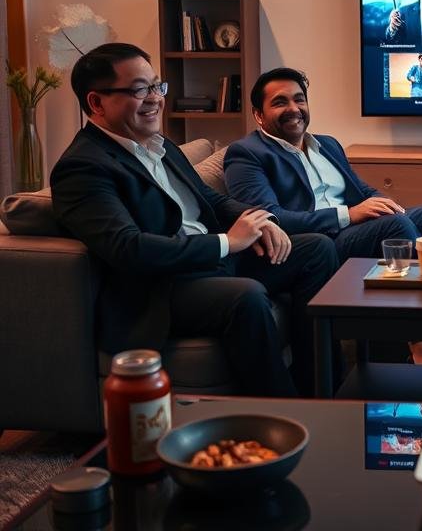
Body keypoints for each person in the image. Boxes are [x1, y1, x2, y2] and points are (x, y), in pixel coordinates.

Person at [50, 43, 337, 398]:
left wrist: (262, 221)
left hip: (212, 264)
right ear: (96, 103)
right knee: (246, 296)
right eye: (140, 90)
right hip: (163, 287)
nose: (155, 98)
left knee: (316, 249)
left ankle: (321, 391)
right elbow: (128, 249)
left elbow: (210, 200)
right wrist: (227, 243)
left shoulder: (162, 146)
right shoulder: (83, 167)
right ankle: (285, 415)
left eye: (157, 86)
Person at [223, 68, 422, 365]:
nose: (293, 108)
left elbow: (362, 190)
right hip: (316, 247)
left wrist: (384, 203)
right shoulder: (246, 153)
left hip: (354, 233)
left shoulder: (327, 144)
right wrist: (348, 215)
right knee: (395, 227)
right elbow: (271, 217)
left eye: (299, 99)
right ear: (258, 114)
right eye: (280, 102)